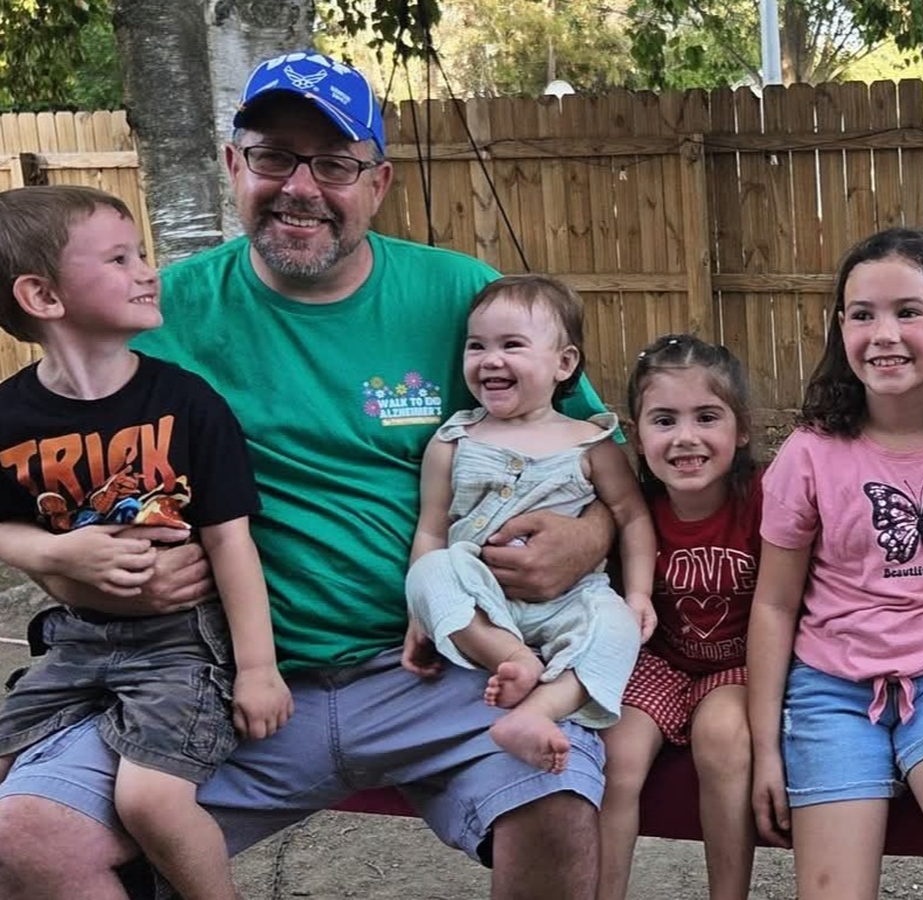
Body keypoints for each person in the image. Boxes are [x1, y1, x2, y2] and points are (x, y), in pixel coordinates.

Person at [0, 50, 615, 900]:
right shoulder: (151, 316)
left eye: (333, 164)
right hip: (217, 681)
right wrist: (59, 562)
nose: (300, 186)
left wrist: (586, 539)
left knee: (557, 802)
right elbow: (54, 475)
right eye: (274, 157)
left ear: (379, 182)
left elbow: (605, 457)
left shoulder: (466, 300)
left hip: (447, 670)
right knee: (27, 837)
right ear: (233, 165)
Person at [0, 184, 292, 900]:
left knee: (150, 799)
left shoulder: (186, 401)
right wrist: (52, 553)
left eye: (142, 254)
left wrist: (258, 670)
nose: (148, 272)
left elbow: (231, 541)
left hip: (182, 646)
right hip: (76, 640)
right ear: (42, 296)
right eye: (120, 259)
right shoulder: (8, 415)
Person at [747, 227, 923, 900]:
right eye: (862, 314)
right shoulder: (810, 454)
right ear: (840, 328)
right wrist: (766, 748)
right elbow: (775, 604)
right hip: (831, 693)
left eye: (908, 312)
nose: (883, 335)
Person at [403, 274, 653, 776]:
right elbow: (431, 530)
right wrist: (419, 611)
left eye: (512, 345)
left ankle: (541, 709)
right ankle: (514, 658)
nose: (490, 359)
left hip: (571, 599)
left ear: (564, 364)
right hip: (481, 597)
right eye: (477, 345)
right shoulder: (453, 441)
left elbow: (633, 515)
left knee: (619, 628)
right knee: (429, 570)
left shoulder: (591, 443)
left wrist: (639, 594)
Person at [598, 334, 762, 900]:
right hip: (660, 662)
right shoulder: (631, 510)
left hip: (740, 665)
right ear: (637, 433)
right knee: (615, 754)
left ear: (742, 429)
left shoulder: (764, 499)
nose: (685, 437)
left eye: (707, 417)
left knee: (722, 736)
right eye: (664, 420)